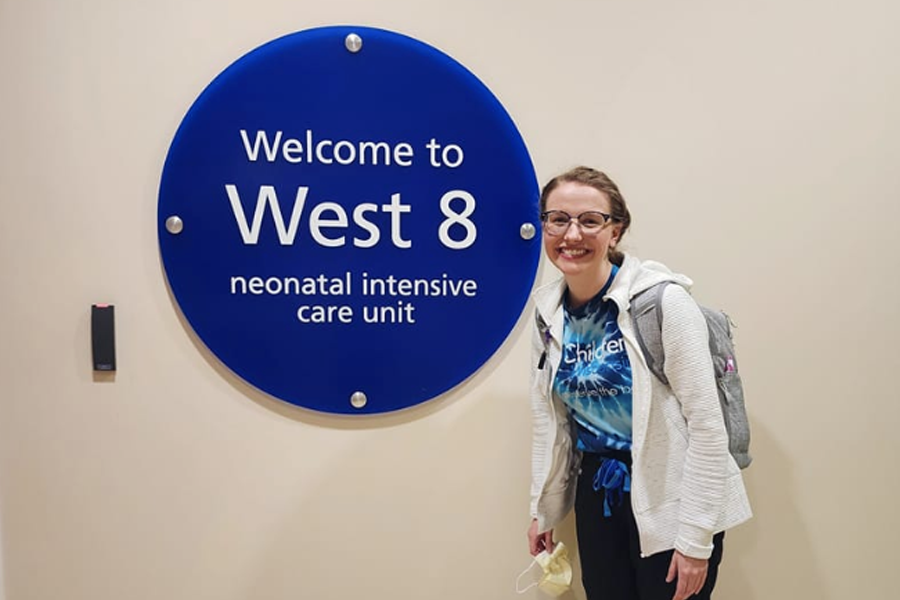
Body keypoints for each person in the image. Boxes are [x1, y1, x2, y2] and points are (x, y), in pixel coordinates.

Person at [526, 166, 751, 600]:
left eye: (590, 220)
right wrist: (544, 509)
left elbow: (706, 426)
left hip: (671, 493)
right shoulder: (548, 312)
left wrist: (695, 539)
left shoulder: (662, 303)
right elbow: (549, 422)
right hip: (598, 494)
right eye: (558, 219)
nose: (572, 234)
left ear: (615, 231)